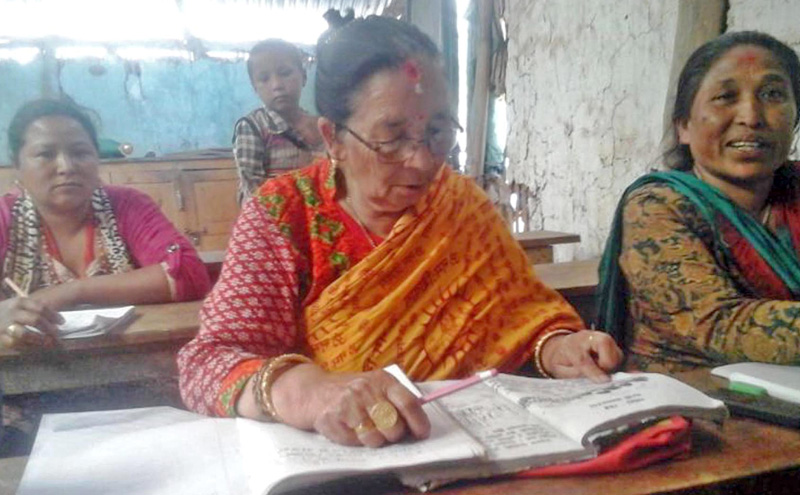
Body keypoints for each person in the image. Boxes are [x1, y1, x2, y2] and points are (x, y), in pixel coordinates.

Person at [179, 16, 622, 448]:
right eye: (391, 137)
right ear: (333, 138)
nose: (424, 160)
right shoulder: (283, 215)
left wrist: (558, 348)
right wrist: (309, 391)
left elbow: (523, 318)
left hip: (485, 453)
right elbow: (207, 365)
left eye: (437, 132)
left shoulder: (461, 205)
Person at [597, 31, 800, 373]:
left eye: (772, 94)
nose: (751, 116)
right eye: (725, 96)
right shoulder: (657, 205)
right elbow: (716, 325)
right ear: (684, 128)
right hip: (692, 402)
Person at [0, 98, 211, 350]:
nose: (66, 167)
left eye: (80, 153)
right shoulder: (5, 218)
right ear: (18, 164)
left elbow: (189, 274)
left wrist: (74, 291)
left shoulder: (127, 205)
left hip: (132, 362)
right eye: (45, 154)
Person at [233, 39, 324, 204]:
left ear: (303, 77)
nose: (277, 85)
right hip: (273, 223)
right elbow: (253, 195)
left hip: (318, 221)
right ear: (255, 87)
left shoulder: (321, 126)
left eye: (285, 73)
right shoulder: (252, 127)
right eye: (264, 79)